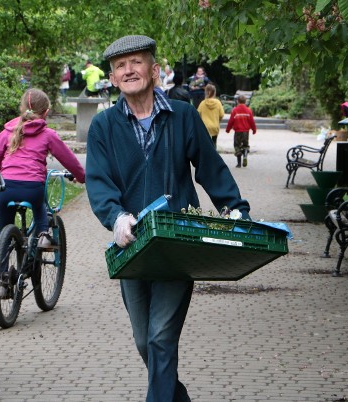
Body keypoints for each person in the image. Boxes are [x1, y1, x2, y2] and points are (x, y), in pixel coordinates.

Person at [86, 34, 251, 402]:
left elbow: (211, 168)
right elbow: (98, 183)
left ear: (155, 70)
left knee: (161, 337)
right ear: (112, 79)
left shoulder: (183, 117)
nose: (129, 70)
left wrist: (234, 207)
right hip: (132, 247)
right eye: (120, 66)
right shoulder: (104, 127)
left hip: (178, 244)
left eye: (137, 62)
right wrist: (115, 218)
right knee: (145, 340)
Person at [0, 88, 85, 245]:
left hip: (6, 187)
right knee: (40, 205)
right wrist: (81, 176)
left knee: (3, 234)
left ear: (21, 108)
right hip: (32, 187)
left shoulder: (7, 132)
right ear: (46, 112)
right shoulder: (48, 134)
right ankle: (43, 234)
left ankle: (1, 261)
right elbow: (68, 159)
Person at [225, 94, 257, 168]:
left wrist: (228, 129)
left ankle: (239, 163)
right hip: (246, 131)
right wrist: (254, 129)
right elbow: (252, 121)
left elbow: (231, 121)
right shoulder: (248, 110)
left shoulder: (235, 110)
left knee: (237, 145)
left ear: (237, 101)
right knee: (245, 144)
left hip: (238, 131)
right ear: (245, 101)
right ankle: (245, 155)